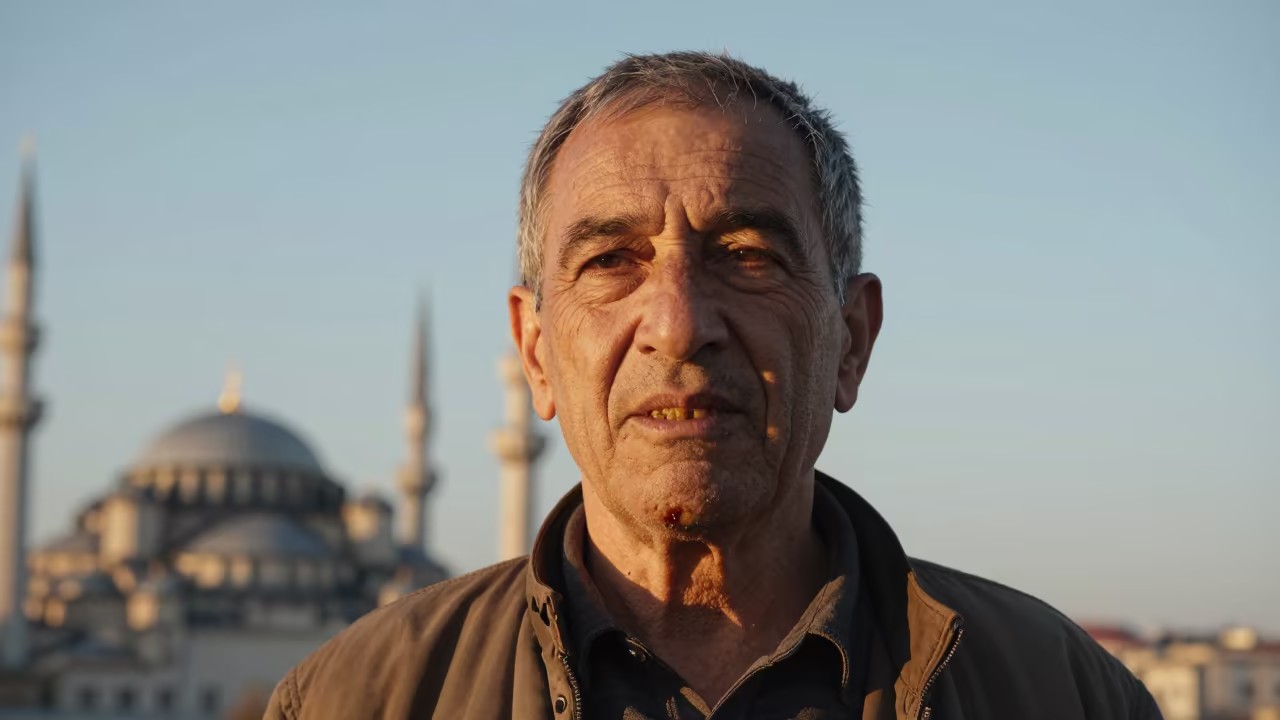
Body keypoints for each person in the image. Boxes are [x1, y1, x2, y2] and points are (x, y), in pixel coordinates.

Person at [264, 51, 1161, 720]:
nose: (678, 323)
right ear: (534, 353)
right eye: (612, 260)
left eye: (745, 256)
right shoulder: (359, 698)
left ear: (851, 338)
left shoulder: (1055, 691)